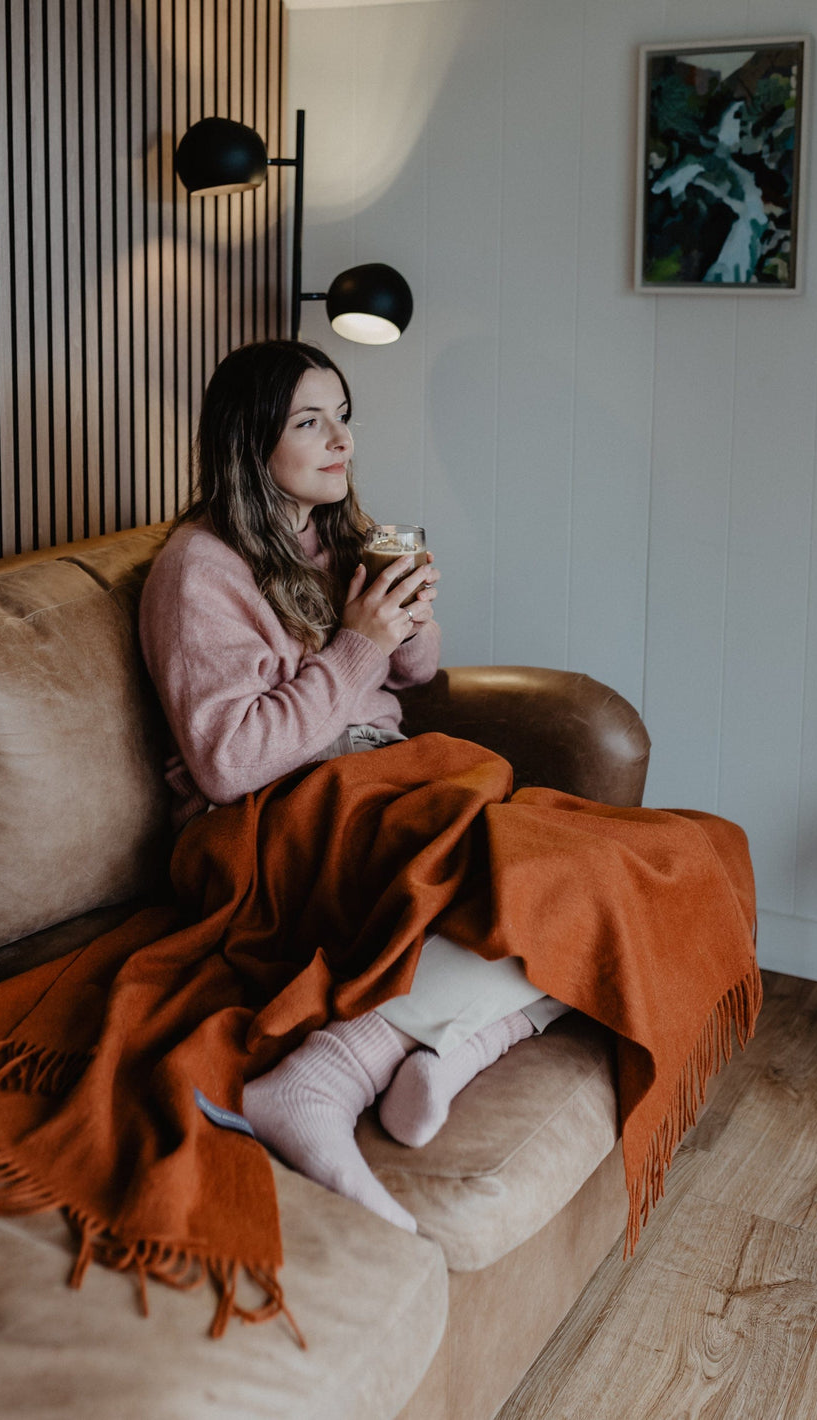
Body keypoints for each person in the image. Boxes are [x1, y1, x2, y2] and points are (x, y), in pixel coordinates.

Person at [139, 340, 566, 1233]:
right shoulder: (200, 571)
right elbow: (227, 759)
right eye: (309, 421)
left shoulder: (329, 537)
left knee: (644, 864)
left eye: (343, 416)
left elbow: (408, 678)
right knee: (552, 875)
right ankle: (343, 1074)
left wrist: (404, 620)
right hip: (272, 822)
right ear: (250, 445)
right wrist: (360, 643)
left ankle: (428, 1052)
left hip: (375, 783)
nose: (341, 440)